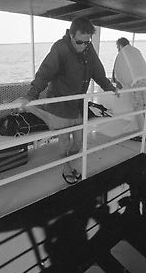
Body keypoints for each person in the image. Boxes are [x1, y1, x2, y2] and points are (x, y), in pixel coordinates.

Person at [15, 17, 118, 184]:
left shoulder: (88, 48)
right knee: (64, 141)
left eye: (87, 42)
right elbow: (44, 74)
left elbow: (98, 73)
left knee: (78, 143)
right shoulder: (60, 48)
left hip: (77, 105)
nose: (83, 45)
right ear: (71, 35)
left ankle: (67, 161)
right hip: (60, 105)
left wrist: (110, 88)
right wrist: (30, 95)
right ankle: (66, 168)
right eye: (80, 42)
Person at [112, 38, 146, 138]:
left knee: (138, 109)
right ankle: (144, 131)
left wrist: (121, 83)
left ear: (119, 45)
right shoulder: (136, 50)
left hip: (139, 83)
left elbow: (119, 71)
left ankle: (142, 134)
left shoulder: (122, 53)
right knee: (145, 108)